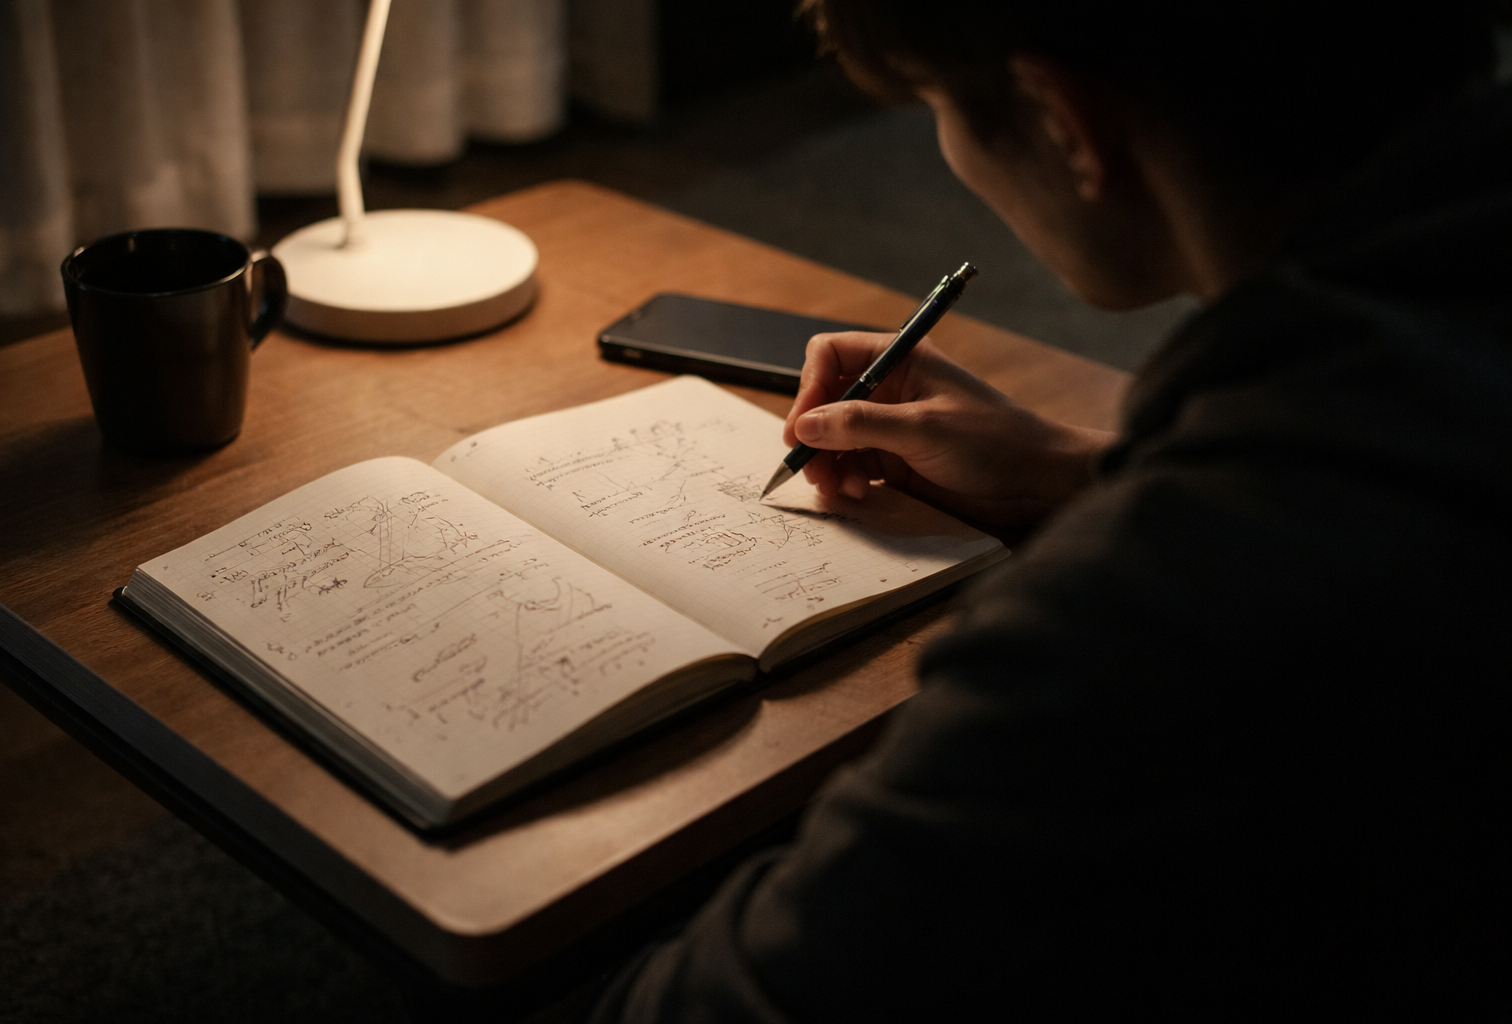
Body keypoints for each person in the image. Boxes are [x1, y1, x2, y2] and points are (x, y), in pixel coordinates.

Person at [594, 2, 1510, 1018]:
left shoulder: (1141, 627)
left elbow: (738, 998)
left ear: (1062, 118)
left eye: (936, 107)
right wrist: (1083, 468)